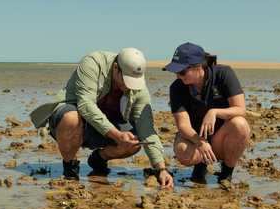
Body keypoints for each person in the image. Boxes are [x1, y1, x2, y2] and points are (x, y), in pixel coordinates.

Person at [30, 48, 173, 188]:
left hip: (106, 128)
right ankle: (70, 169)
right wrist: (117, 135)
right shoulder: (93, 64)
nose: (129, 87)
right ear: (116, 68)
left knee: (136, 141)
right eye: (126, 81)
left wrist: (161, 169)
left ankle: (99, 159)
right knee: (71, 118)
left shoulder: (139, 89)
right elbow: (86, 106)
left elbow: (146, 129)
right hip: (75, 122)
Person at [164, 42, 250, 184]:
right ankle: (200, 166)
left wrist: (214, 112)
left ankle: (226, 173)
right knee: (183, 150)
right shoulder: (177, 87)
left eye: (182, 72)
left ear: (198, 67)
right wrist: (200, 142)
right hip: (195, 137)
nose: (178, 76)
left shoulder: (224, 74)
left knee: (240, 124)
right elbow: (183, 125)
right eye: (176, 72)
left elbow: (241, 110)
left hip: (221, 137)